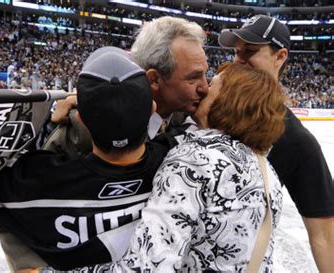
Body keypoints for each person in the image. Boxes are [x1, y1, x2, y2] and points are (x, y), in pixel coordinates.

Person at [52, 62, 287, 272]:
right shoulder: (268, 172)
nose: (203, 88)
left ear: (229, 99)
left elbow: (148, 266)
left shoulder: (195, 160)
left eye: (212, 84)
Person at [0, 47, 172, 271]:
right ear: (152, 108)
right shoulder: (177, 162)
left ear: (79, 117)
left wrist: (50, 127)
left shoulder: (37, 182)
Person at [218, 14, 333, 272]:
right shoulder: (204, 108)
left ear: (280, 57)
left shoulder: (297, 142)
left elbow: (324, 236)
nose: (239, 61)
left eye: (250, 51)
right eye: (237, 53)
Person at [49, 16, 209, 147]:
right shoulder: (90, 126)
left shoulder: (186, 114)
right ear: (154, 79)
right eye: (193, 78)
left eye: (205, 75)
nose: (205, 88)